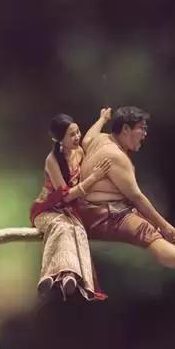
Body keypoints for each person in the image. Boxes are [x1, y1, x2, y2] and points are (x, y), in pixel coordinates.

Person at [77, 106, 175, 286]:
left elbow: (86, 139)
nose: (145, 134)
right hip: (101, 217)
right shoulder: (116, 156)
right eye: (142, 128)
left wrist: (102, 119)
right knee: (146, 230)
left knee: (150, 223)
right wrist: (164, 225)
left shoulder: (100, 139)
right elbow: (136, 197)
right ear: (126, 129)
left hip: (99, 211)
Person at [30, 111, 112, 300]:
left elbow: (90, 138)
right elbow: (65, 196)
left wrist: (102, 119)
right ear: (59, 139)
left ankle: (68, 276)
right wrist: (93, 179)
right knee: (62, 227)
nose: (77, 137)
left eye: (77, 132)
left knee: (77, 230)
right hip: (47, 209)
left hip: (70, 210)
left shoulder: (80, 152)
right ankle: (51, 275)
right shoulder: (52, 160)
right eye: (71, 135)